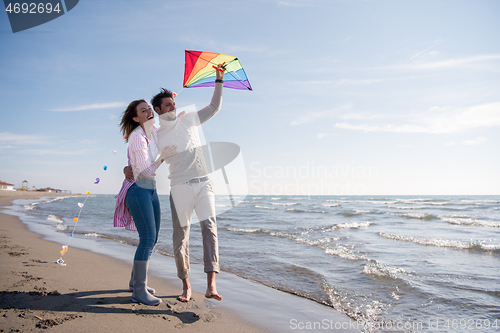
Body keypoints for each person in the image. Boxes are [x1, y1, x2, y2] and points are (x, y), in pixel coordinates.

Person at [153, 63, 226, 302]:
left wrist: (218, 79)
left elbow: (214, 107)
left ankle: (211, 285)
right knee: (180, 236)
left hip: (204, 182)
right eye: (168, 105)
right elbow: (144, 147)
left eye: (173, 103)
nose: (173, 107)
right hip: (180, 187)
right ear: (158, 109)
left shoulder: (189, 120)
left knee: (210, 230)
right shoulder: (156, 133)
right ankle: (186, 285)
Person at [114, 99, 176, 306]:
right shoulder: (136, 137)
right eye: (143, 110)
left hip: (151, 190)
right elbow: (143, 172)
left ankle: (135, 282)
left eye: (149, 108)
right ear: (135, 118)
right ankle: (139, 291)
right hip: (138, 189)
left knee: (153, 237)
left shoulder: (154, 132)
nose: (149, 112)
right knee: (147, 238)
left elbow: (169, 129)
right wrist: (162, 158)